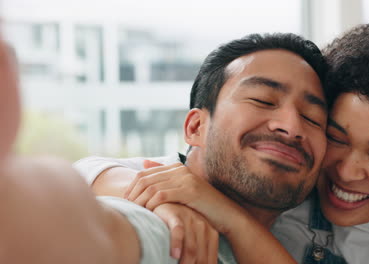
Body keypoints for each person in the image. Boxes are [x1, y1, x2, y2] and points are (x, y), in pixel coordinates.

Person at [77, 24, 369, 264]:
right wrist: (161, 198)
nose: (347, 172)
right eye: (334, 136)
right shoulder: (281, 190)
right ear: (194, 125)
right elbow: (87, 174)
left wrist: (230, 218)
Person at [75, 32, 330, 263]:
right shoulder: (163, 228)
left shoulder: (323, 221)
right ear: (196, 127)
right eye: (262, 100)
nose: (292, 126)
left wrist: (236, 222)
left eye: (312, 118)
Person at [0, 32, 216, 264]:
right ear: (196, 126)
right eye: (258, 101)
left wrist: (232, 218)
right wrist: (156, 197)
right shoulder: (165, 218)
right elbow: (83, 179)